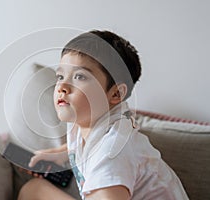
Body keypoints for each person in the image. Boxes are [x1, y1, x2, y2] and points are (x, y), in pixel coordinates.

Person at [17, 30, 189, 200]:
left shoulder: (113, 151)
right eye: (60, 76)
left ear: (115, 94)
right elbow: (81, 145)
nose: (62, 86)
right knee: (34, 190)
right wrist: (58, 154)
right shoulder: (85, 121)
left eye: (79, 76)